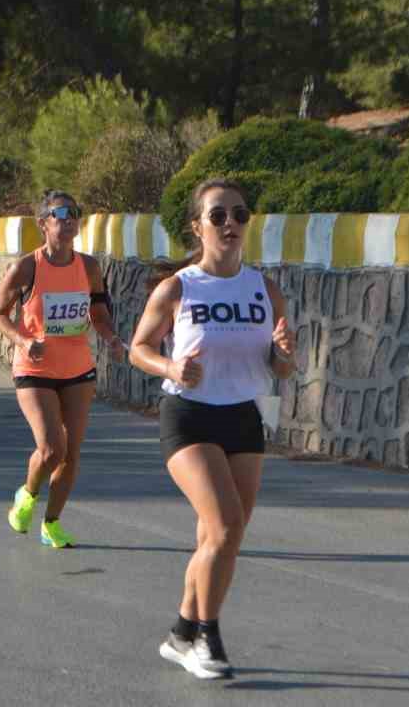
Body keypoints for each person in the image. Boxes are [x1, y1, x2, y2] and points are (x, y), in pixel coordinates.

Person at [127, 179, 298, 681]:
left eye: (240, 215)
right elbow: (139, 348)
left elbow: (281, 367)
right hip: (189, 416)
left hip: (243, 415)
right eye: (218, 216)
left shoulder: (264, 289)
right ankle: (207, 636)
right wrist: (173, 369)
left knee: (219, 537)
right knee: (224, 527)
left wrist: (285, 355)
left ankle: (181, 631)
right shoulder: (179, 287)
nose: (230, 225)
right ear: (197, 227)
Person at [0, 190, 125, 550]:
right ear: (43, 224)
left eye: (73, 214)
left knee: (72, 453)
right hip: (35, 369)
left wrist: (111, 338)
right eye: (59, 214)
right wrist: (22, 340)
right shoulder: (27, 267)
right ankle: (27, 494)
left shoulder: (89, 267)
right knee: (52, 448)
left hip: (78, 369)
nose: (67, 221)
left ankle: (51, 524)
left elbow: (97, 310)